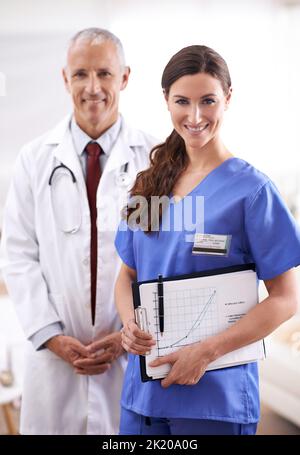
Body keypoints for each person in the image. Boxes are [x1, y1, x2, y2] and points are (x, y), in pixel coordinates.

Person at [114, 45, 300, 435]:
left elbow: (286, 298)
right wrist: (130, 322)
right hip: (143, 398)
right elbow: (126, 274)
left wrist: (207, 351)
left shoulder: (252, 192)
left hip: (214, 401)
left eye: (208, 101)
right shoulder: (149, 186)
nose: (195, 116)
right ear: (166, 100)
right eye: (182, 101)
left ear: (228, 99)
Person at [0, 28, 157, 435]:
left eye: (104, 73)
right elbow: (17, 254)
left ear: (124, 77)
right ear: (64, 78)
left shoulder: (155, 160)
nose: (93, 87)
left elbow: (161, 259)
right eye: (81, 74)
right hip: (53, 361)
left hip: (127, 354)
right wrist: (50, 336)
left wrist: (128, 333)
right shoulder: (34, 160)